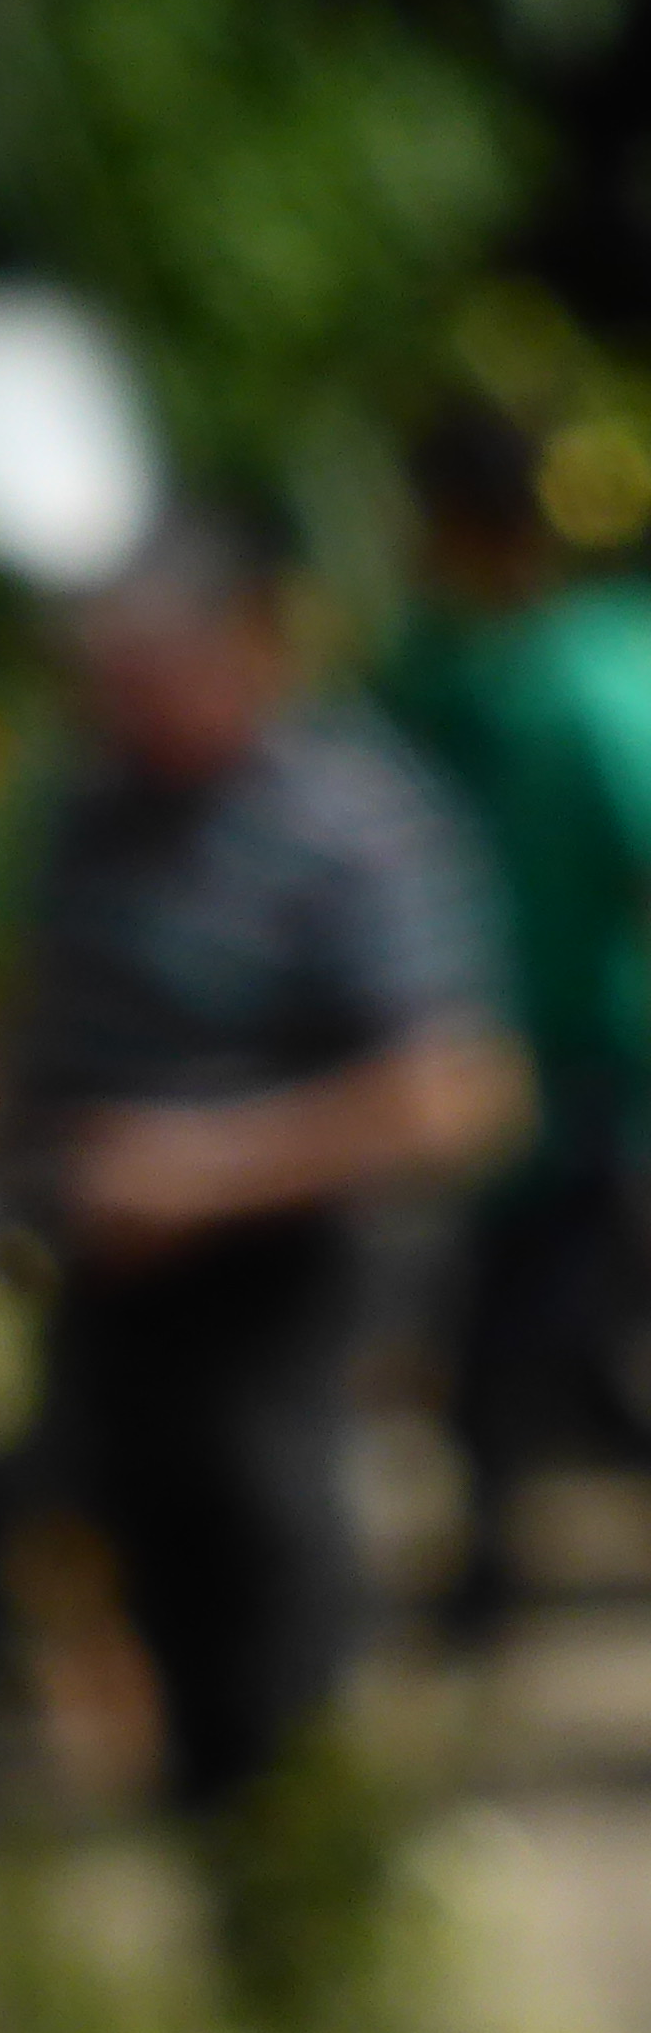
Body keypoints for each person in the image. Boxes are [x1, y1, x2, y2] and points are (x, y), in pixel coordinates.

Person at [6, 510, 522, 1816]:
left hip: (285, 1285)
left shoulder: (351, 820)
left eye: (147, 670)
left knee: (276, 1593)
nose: (117, 701)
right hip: (109, 1283)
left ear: (245, 650)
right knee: (143, 1593)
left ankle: (305, 1859)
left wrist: (205, 1170)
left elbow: (453, 1092)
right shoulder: (94, 809)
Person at [380, 404, 651, 1640]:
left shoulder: (588, 686)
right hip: (455, 1064)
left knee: (533, 1319)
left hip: (581, 1062)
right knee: (523, 1323)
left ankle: (490, 1566)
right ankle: (495, 1550)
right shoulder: (425, 676)